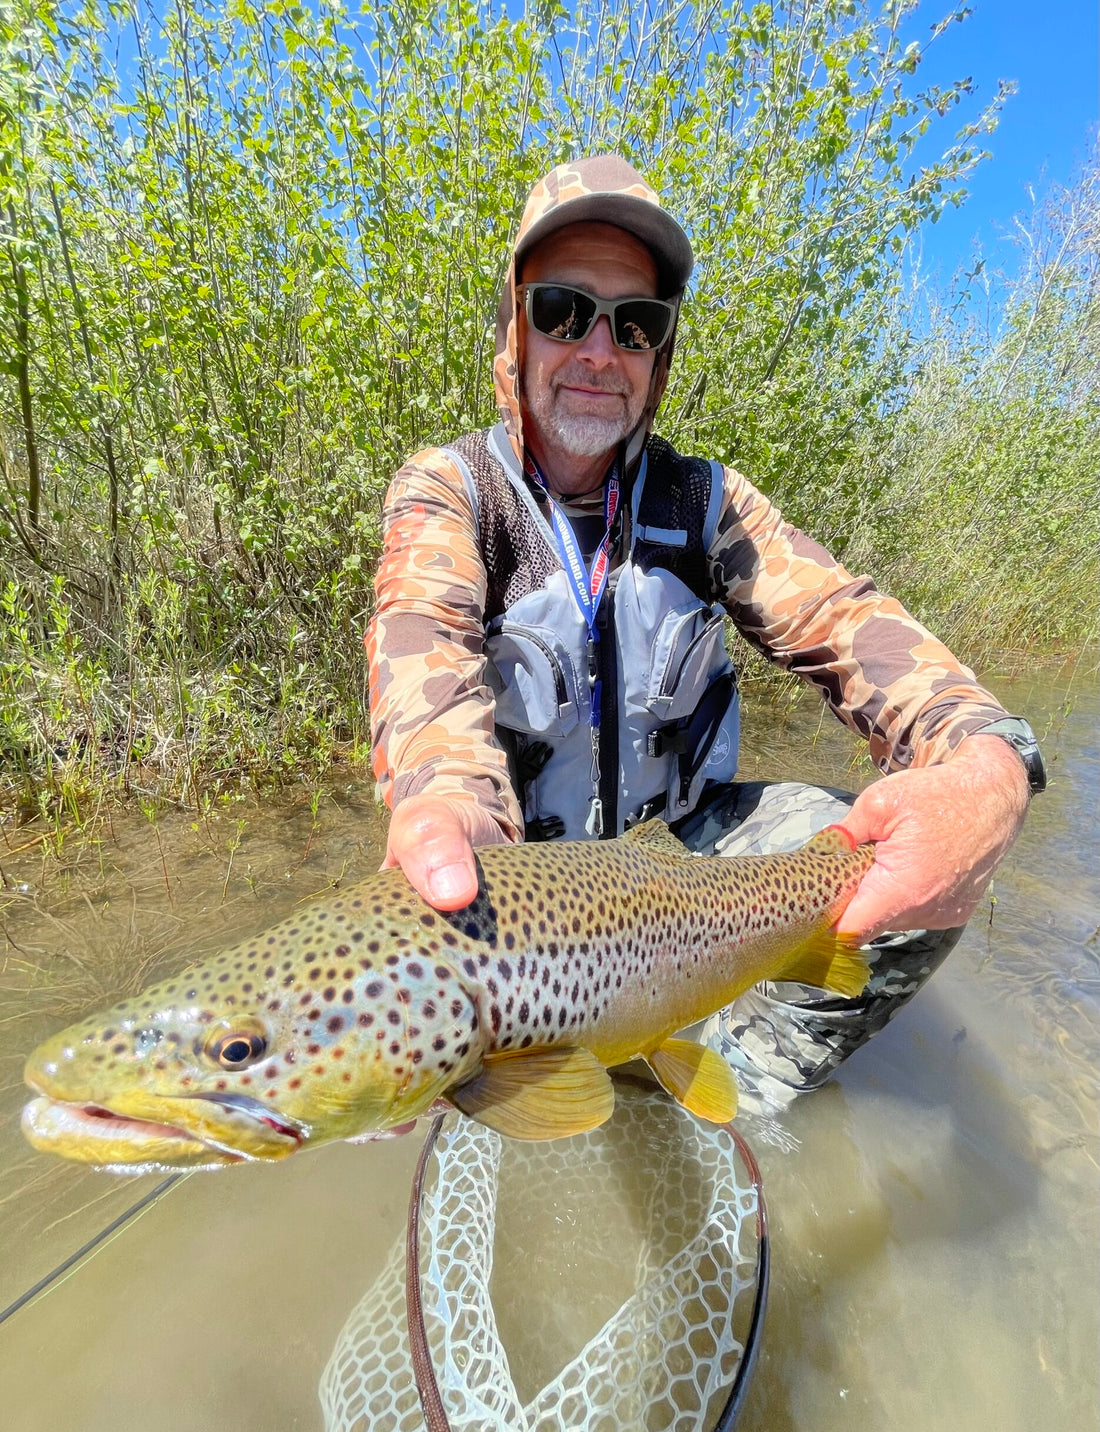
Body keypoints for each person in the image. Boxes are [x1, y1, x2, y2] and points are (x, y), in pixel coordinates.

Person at [365, 156, 1045, 1105]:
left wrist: (989, 766)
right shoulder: (451, 494)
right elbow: (420, 656)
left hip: (686, 856)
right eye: (564, 311)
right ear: (511, 333)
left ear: (661, 356)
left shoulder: (708, 504)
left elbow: (850, 623)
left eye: (636, 325)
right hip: (527, 904)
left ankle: (732, 1085)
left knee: (884, 875)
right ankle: (583, 1050)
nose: (601, 350)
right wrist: (448, 813)